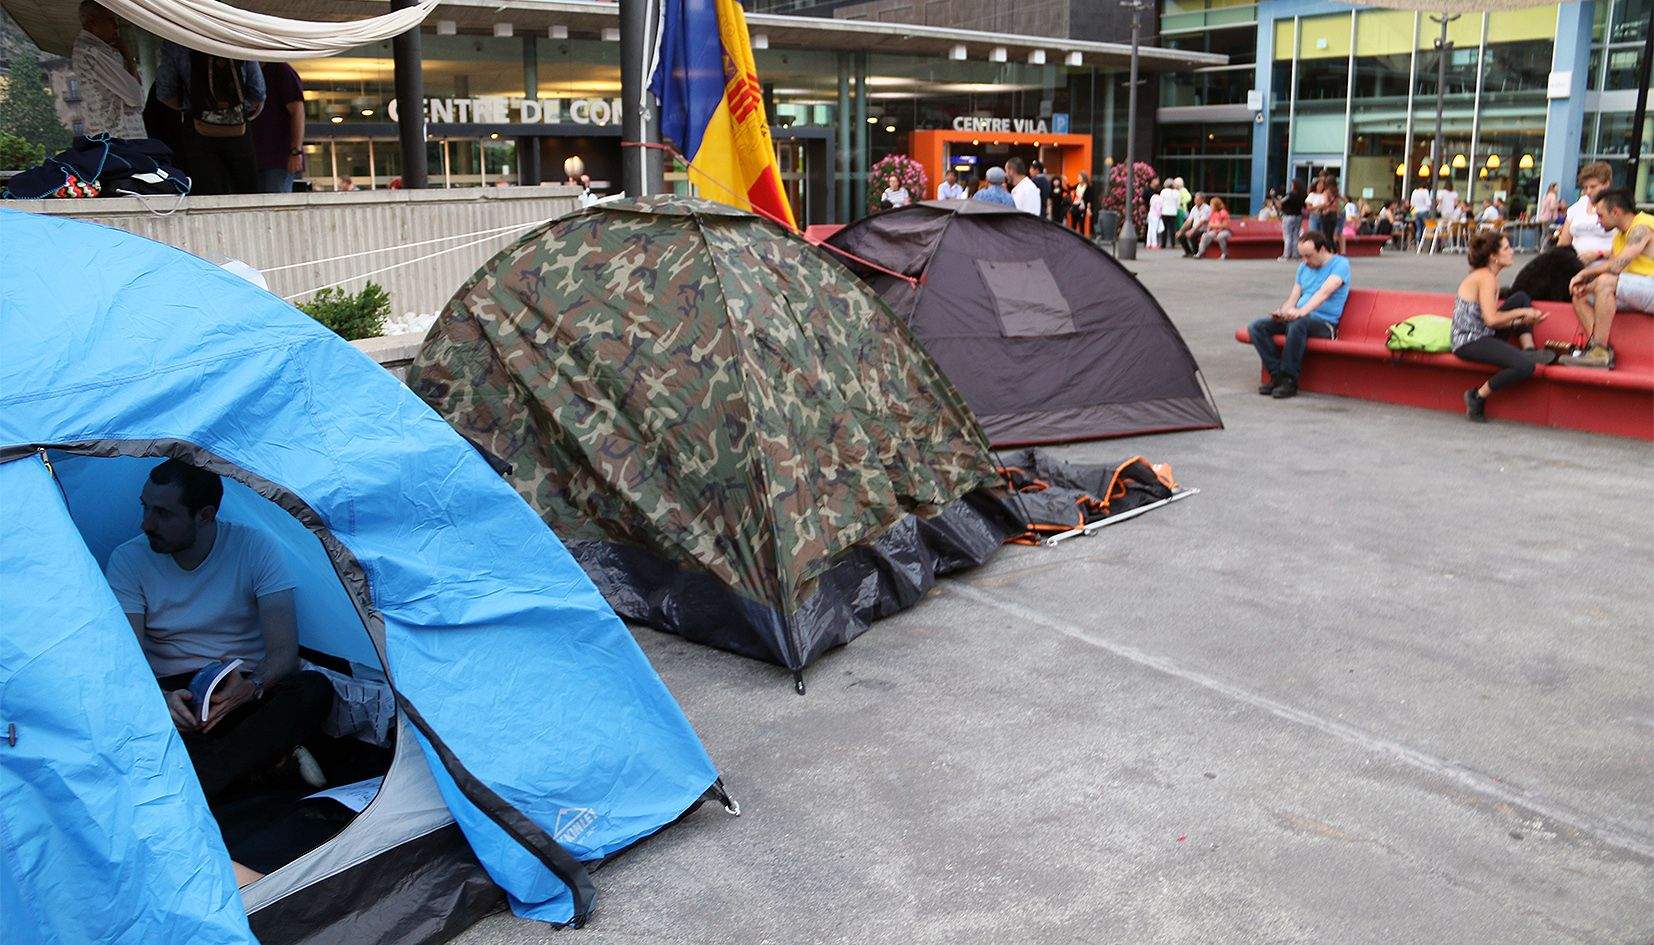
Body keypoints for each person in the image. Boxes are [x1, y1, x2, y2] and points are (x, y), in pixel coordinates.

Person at [104, 460, 333, 799]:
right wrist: (160, 700)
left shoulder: (255, 547)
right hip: (174, 693)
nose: (146, 523)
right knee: (121, 717)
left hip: (242, 686)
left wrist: (252, 686)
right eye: (145, 507)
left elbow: (285, 651)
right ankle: (264, 761)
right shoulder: (128, 561)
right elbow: (127, 660)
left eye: (163, 513)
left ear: (205, 516)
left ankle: (196, 787)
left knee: (314, 688)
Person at [1453, 231, 1553, 421]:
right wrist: (1522, 314)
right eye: (1507, 248)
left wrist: (1521, 321)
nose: (1512, 251)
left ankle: (1529, 348)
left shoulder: (1490, 276)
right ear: (1493, 256)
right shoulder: (1486, 278)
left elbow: (1489, 320)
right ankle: (1477, 396)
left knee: (1521, 297)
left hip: (1483, 332)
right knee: (1525, 367)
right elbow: (1491, 319)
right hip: (1469, 340)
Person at [1247, 230, 1352, 399]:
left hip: (1325, 324)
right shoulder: (1304, 267)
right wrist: (1284, 312)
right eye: (1302, 256)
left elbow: (1324, 293)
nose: (1305, 261)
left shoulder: (1340, 264)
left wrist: (1301, 312)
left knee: (1298, 323)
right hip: (1300, 318)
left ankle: (1289, 380)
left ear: (1323, 249)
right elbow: (1294, 296)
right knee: (1257, 327)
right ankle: (1277, 376)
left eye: (1309, 256)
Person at [155, 41, 265, 195]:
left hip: (198, 131)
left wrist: (194, 109)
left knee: (208, 195)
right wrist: (235, 111)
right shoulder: (236, 39)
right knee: (247, 194)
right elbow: (258, 92)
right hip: (238, 130)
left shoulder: (177, 43)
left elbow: (164, 92)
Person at [1563, 188, 1654, 369]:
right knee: (1580, 294)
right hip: (1638, 290)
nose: (1598, 221)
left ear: (1616, 212)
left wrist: (1584, 274)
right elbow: (1615, 273)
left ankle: (1599, 351)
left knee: (1604, 282)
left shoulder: (1642, 226)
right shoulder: (1618, 235)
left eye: (1600, 215)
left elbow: (1617, 265)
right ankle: (1599, 349)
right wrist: (1587, 286)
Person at [71, 2, 146, 140]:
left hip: (115, 139)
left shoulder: (93, 49)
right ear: (93, 22)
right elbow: (136, 97)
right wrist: (129, 57)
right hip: (121, 139)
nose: (116, 27)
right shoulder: (93, 53)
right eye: (110, 20)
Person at [252, 62, 304, 194]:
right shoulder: (249, 70)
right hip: (255, 158)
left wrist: (295, 151)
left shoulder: (281, 70)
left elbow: (298, 111)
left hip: (278, 159)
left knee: (275, 204)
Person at [1557, 162, 1615, 263]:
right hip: (1575, 264)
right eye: (1585, 187)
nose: (1588, 191)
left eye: (1593, 187)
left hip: (1606, 265)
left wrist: (1599, 254)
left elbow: (1627, 249)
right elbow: (1563, 243)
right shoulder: (1577, 207)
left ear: (1606, 184)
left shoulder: (1617, 207)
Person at [1279, 179, 1306, 260]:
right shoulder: (1302, 195)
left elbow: (1281, 202)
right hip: (1298, 216)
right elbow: (1304, 206)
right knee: (1295, 236)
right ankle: (1295, 255)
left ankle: (1286, 255)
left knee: (1287, 236)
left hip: (1288, 216)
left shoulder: (1290, 195)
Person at [1158, 178, 1181, 249]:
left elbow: (1160, 202)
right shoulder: (1177, 192)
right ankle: (1173, 243)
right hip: (1173, 212)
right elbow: (1178, 204)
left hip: (1164, 211)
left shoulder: (1163, 191)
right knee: (1172, 229)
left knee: (1164, 229)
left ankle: (1163, 244)